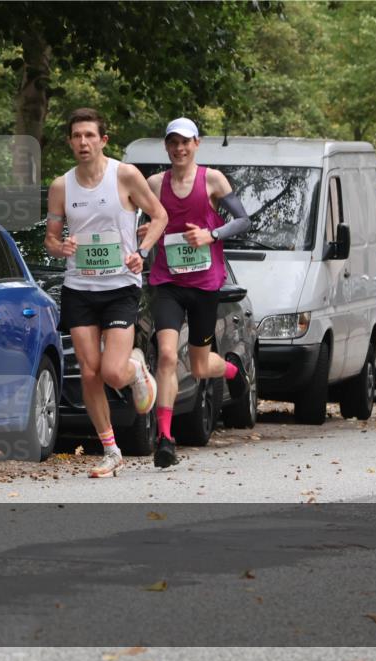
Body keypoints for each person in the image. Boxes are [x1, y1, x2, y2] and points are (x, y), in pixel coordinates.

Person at [45, 108, 169, 478]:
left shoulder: (125, 175)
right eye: (76, 136)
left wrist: (141, 252)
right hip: (79, 287)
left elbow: (160, 216)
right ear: (70, 142)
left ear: (103, 140)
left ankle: (136, 371)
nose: (83, 142)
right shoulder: (61, 186)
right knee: (89, 372)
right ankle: (111, 451)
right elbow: (51, 239)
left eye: (89, 135)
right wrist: (61, 247)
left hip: (120, 287)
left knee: (113, 372)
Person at [142, 117, 252, 468]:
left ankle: (232, 370)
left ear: (196, 144)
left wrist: (211, 234)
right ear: (166, 146)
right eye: (173, 143)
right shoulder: (154, 184)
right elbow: (142, 224)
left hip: (205, 284)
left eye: (185, 142)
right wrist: (144, 233)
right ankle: (165, 438)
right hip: (168, 283)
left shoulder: (213, 180)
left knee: (201, 366)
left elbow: (243, 220)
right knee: (166, 356)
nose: (179, 149)